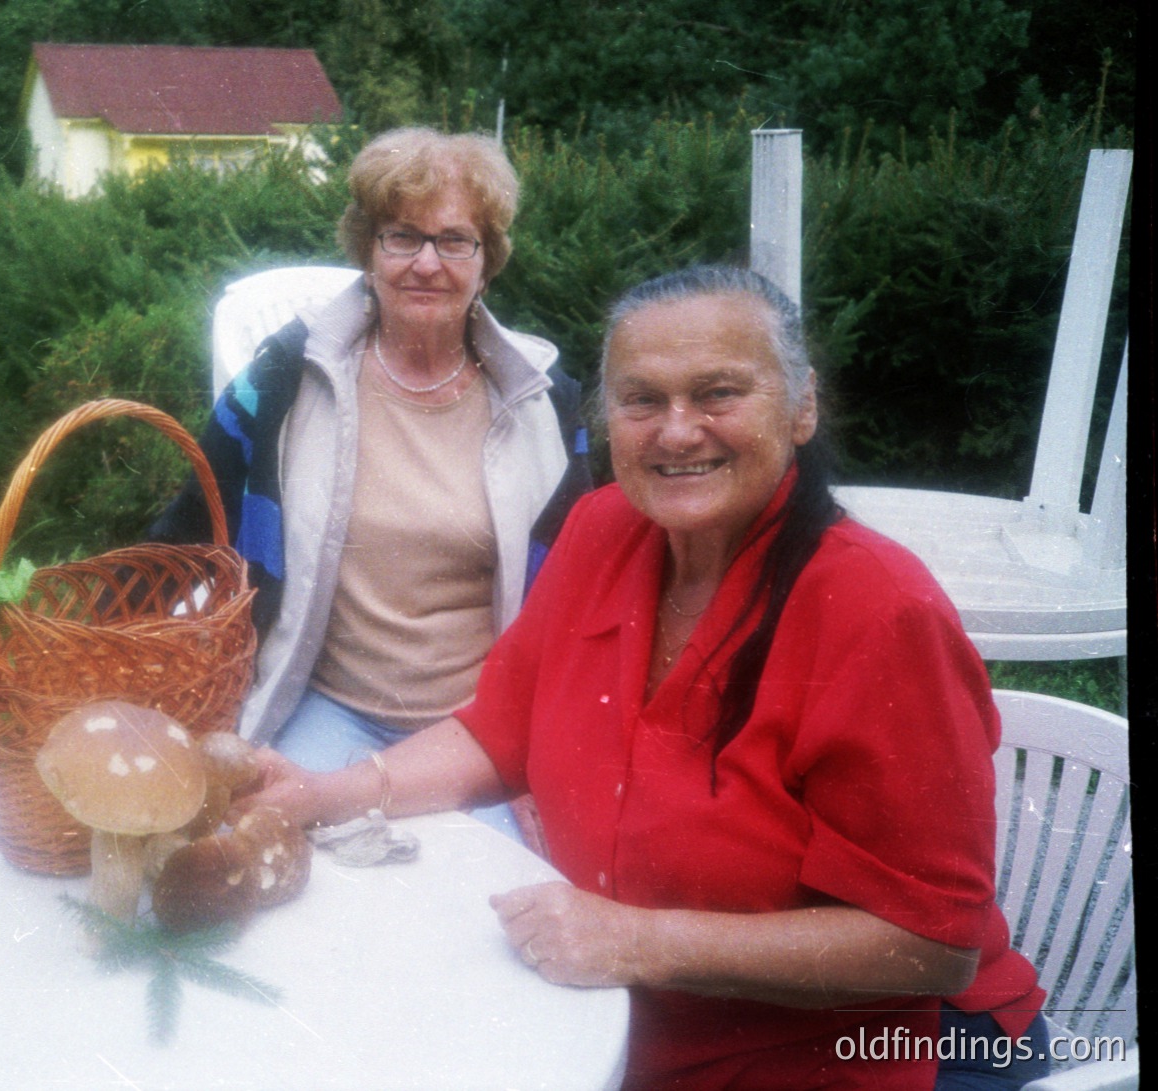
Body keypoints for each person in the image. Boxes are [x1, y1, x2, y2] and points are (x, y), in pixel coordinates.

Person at [235, 265, 1048, 1089]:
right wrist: (317, 795)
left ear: (801, 406)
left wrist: (636, 941)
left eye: (718, 392)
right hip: (622, 1022)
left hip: (854, 1057)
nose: (677, 431)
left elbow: (932, 945)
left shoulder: (880, 614)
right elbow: (499, 728)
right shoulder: (603, 531)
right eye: (641, 400)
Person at [152, 127, 593, 831]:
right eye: (402, 237)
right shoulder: (287, 378)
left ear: (487, 260)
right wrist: (104, 661)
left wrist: (543, 759)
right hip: (325, 711)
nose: (427, 263)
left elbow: (585, 595)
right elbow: (181, 537)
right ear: (367, 247)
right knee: (283, 865)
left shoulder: (545, 403)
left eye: (454, 241)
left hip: (478, 736)